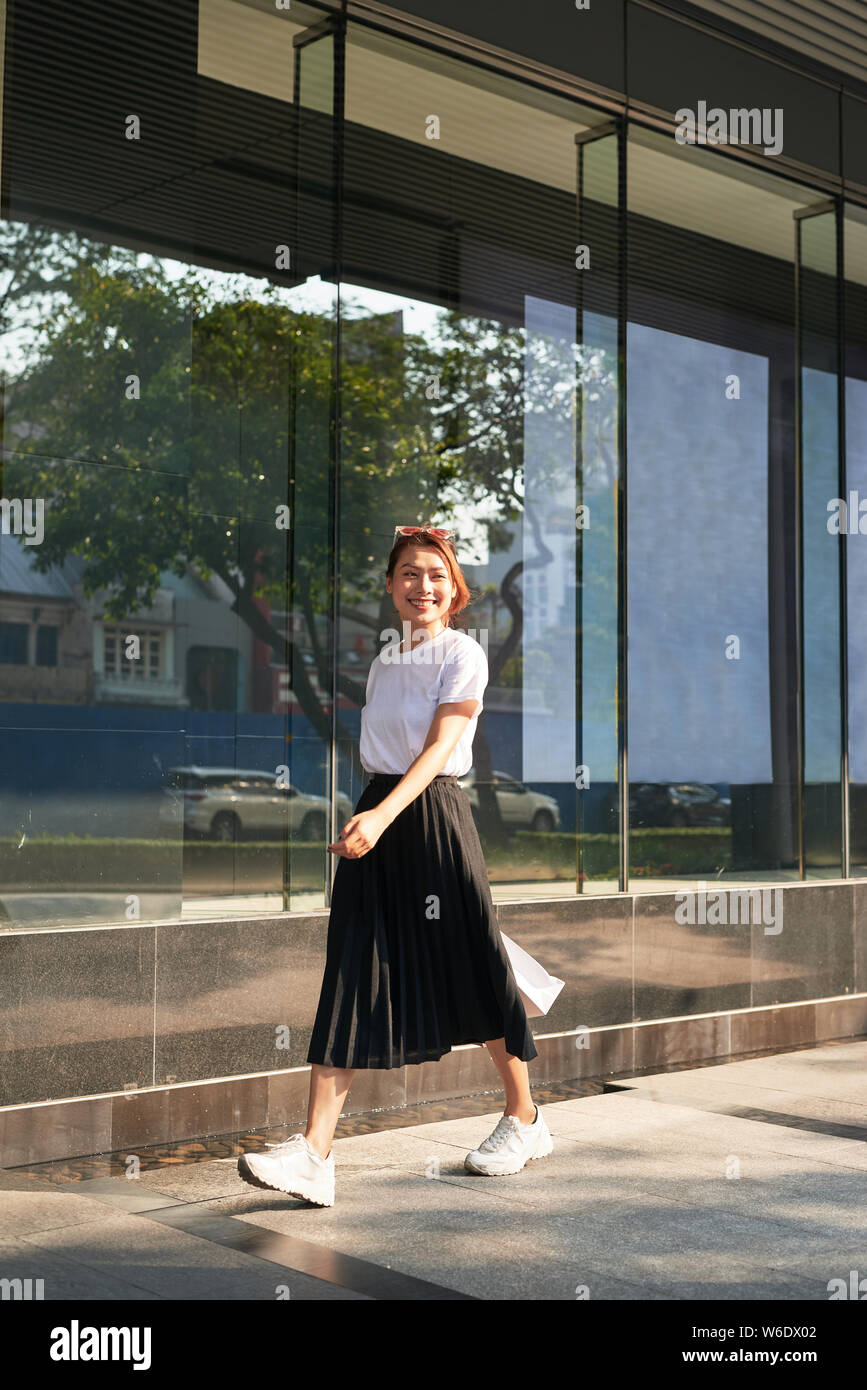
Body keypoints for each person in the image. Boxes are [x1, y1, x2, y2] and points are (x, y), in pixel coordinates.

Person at [239, 525, 552, 1207]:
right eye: (408, 574)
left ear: (455, 590)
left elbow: (442, 746)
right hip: (379, 808)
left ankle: (523, 1117)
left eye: (435, 575)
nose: (422, 586)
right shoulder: (385, 661)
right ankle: (315, 1152)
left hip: (432, 815)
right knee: (353, 967)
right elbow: (381, 750)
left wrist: (383, 817)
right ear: (389, 586)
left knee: (473, 964)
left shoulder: (462, 652)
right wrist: (370, 811)